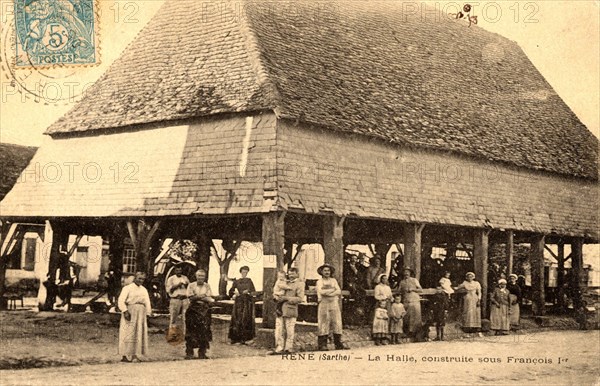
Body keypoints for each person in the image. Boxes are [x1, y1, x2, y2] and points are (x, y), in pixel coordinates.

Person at [118, 271, 152, 362]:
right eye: (139, 278)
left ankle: (135, 355)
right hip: (130, 310)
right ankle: (125, 355)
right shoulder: (127, 288)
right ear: (134, 278)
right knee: (128, 332)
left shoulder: (144, 289)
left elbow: (147, 302)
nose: (141, 280)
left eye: (143, 279)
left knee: (138, 332)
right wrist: (125, 311)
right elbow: (121, 300)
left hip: (141, 312)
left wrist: (148, 313)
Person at [316, 264, 348, 351]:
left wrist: (330, 292)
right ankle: (322, 344)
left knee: (336, 322)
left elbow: (338, 290)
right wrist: (331, 290)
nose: (327, 272)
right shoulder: (319, 281)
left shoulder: (333, 280)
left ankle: (338, 343)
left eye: (328, 271)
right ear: (322, 272)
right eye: (325, 271)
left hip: (333, 302)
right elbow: (321, 291)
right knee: (323, 322)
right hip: (324, 303)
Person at [272, 267, 304, 354]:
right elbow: (276, 292)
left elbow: (300, 298)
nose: (291, 276)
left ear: (297, 274)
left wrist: (286, 298)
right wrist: (276, 297)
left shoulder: (300, 284)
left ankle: (288, 348)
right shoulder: (283, 281)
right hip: (280, 309)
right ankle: (279, 347)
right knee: (279, 329)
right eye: (289, 274)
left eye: (293, 274)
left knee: (289, 330)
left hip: (290, 309)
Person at [185, 269, 214, 359]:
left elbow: (209, 298)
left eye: (202, 276)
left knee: (204, 331)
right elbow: (190, 297)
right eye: (199, 276)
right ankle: (189, 353)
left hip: (204, 310)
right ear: (196, 276)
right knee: (191, 330)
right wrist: (202, 296)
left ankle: (202, 352)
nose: (200, 278)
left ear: (205, 277)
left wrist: (198, 297)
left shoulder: (207, 286)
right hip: (193, 310)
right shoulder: (191, 285)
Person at [228, 266, 256, 344]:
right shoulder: (236, 281)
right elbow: (230, 291)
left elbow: (253, 291)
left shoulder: (249, 281)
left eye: (246, 272)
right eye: (243, 272)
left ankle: (246, 339)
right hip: (238, 303)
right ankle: (235, 339)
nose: (244, 273)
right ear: (240, 272)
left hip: (247, 302)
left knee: (246, 319)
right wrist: (234, 294)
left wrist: (249, 292)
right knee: (237, 319)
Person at [166, 265, 190, 339]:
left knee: (185, 317)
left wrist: (186, 285)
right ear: (175, 271)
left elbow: (190, 288)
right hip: (175, 298)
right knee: (173, 317)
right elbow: (168, 290)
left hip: (184, 299)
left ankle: (185, 334)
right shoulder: (171, 279)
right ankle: (173, 334)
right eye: (177, 270)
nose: (179, 272)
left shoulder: (185, 278)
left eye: (180, 270)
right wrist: (177, 285)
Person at [399, 268, 423, 339]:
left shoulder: (414, 280)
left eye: (407, 272)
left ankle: (416, 334)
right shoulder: (402, 282)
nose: (406, 273)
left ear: (410, 273)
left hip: (414, 300)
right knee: (407, 317)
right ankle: (408, 333)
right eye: (405, 272)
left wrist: (413, 289)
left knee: (415, 317)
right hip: (406, 300)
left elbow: (420, 290)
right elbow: (399, 290)